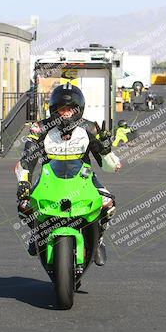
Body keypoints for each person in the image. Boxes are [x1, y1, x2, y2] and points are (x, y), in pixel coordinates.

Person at [15, 82, 121, 266]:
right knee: (24, 205)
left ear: (78, 110)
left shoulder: (91, 128)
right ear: (53, 110)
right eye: (61, 109)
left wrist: (106, 149)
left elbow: (109, 167)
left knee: (108, 204)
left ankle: (98, 239)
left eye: (70, 109)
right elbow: (27, 159)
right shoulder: (40, 128)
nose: (65, 113)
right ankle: (36, 232)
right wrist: (23, 183)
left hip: (84, 177)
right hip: (49, 177)